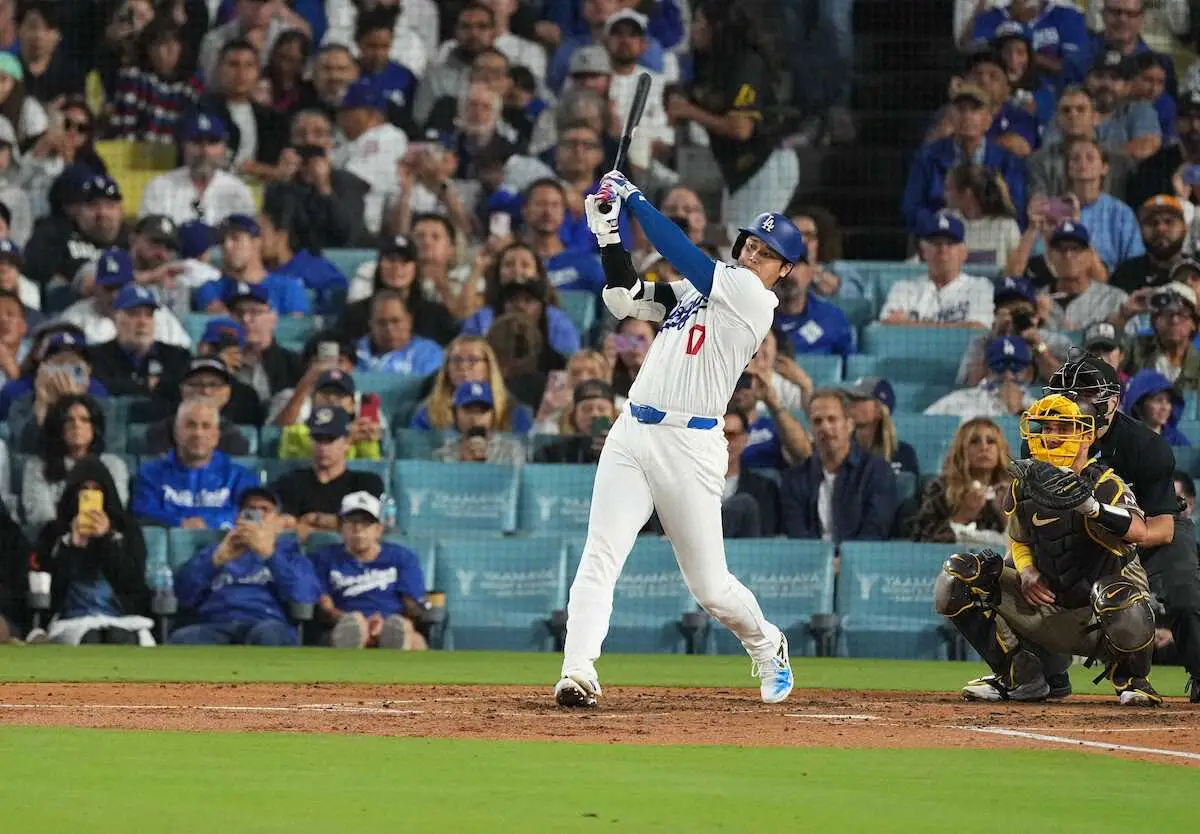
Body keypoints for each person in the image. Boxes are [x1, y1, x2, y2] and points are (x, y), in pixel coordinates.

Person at [552, 170, 800, 708]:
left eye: (767, 254)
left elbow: (681, 252)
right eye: (751, 246)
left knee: (709, 587)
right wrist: (608, 235)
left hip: (690, 445)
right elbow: (625, 299)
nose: (754, 256)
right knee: (600, 555)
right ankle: (578, 671)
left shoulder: (753, 299)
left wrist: (634, 200)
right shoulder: (697, 290)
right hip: (632, 431)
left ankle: (766, 643)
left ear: (783, 270)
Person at [934, 393, 1161, 705]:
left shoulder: (1107, 484)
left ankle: (1132, 680)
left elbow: (1139, 531)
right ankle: (1022, 675)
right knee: (957, 576)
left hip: (1099, 620)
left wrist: (1093, 508)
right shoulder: (1025, 483)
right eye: (1047, 427)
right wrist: (1026, 570)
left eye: (1063, 428)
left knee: (1119, 594)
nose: (1051, 436)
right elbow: (1018, 539)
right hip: (1045, 604)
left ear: (1087, 435)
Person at [1035, 354, 1200, 702]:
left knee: (1184, 594)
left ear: (1112, 401)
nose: (1071, 403)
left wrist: (1120, 532)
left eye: (1083, 394)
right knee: (1030, 573)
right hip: (1082, 532)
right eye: (1065, 394)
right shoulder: (1045, 439)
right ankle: (1040, 674)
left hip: (1153, 530)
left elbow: (1164, 529)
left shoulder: (1145, 446)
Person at [669, 0, 796, 234]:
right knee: (733, 238)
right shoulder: (711, 64)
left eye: (698, 22)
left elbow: (741, 128)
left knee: (744, 241)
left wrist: (689, 111)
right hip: (737, 167)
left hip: (764, 162)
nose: (693, 29)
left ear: (717, 26)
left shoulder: (746, 63)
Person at [169, 486, 321, 646]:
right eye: (250, 509)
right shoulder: (216, 550)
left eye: (264, 510)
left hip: (267, 621)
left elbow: (305, 596)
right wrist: (215, 561)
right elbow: (182, 595)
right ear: (237, 518)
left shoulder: (289, 552)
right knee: (182, 638)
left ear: (278, 522)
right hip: (216, 623)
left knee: (268, 634)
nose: (257, 515)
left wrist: (269, 554)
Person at [33, 456, 152, 646]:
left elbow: (134, 585)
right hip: (71, 620)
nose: (89, 494)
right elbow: (48, 591)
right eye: (83, 490)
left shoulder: (128, 530)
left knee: (119, 637)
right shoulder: (53, 532)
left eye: (96, 490)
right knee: (91, 637)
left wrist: (108, 540)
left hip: (121, 618)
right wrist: (70, 547)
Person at [310, 491, 428, 650]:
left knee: (413, 640)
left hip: (390, 624)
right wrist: (355, 622)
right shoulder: (323, 558)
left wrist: (385, 624)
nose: (358, 529)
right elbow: (326, 607)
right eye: (351, 522)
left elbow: (411, 605)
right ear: (340, 527)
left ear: (379, 529)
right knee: (352, 627)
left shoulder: (402, 558)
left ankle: (393, 639)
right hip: (343, 625)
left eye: (366, 523)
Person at [779, 388, 898, 542]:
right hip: (811, 557)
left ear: (849, 425)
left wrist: (844, 556)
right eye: (817, 421)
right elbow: (798, 537)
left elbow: (874, 533)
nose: (825, 427)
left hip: (859, 556)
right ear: (811, 429)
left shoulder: (878, 472)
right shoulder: (794, 480)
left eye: (832, 419)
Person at [131, 399, 259, 529]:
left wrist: (209, 523)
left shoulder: (241, 477)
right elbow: (142, 514)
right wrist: (181, 523)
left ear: (216, 436)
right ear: (176, 433)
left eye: (206, 426)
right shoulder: (149, 474)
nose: (198, 433)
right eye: (190, 425)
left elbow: (254, 516)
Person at [270, 405, 385, 540]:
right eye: (318, 439)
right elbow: (283, 527)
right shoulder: (289, 482)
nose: (323, 447)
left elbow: (366, 528)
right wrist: (334, 524)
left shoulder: (366, 483)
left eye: (330, 439)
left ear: (347, 443)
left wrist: (314, 519)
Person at [22, 394, 128, 528]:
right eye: (69, 420)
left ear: (94, 427)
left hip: (102, 533)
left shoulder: (113, 465)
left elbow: (116, 510)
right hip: (55, 535)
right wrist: (72, 531)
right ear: (58, 426)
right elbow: (40, 515)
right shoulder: (37, 466)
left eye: (84, 420)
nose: (76, 425)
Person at [138, 112, 256, 225]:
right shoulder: (159, 187)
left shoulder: (238, 190)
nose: (205, 151)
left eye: (212, 142)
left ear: (224, 148)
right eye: (197, 142)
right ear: (183, 146)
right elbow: (149, 235)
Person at [338, 234, 459, 345]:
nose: (397, 267)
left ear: (415, 268)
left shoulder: (436, 315)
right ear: (379, 266)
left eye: (405, 261)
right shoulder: (355, 314)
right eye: (391, 260)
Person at [880, 212, 995, 328]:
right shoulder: (903, 288)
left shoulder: (979, 286)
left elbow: (977, 327)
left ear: (964, 252)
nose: (943, 249)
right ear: (923, 251)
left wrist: (910, 324)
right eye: (936, 243)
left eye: (950, 244)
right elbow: (887, 324)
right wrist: (957, 326)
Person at [910, 418, 1011, 546]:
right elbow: (921, 541)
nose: (984, 447)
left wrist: (1009, 519)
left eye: (991, 441)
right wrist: (963, 515)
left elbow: (1030, 544)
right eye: (974, 441)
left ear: (1000, 449)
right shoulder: (940, 488)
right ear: (962, 450)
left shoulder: (1015, 489)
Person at [86, 283, 192, 402]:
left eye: (148, 315)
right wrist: (147, 385)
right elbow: (101, 388)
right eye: (134, 314)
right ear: (116, 318)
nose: (142, 322)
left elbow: (182, 390)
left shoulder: (177, 356)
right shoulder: (96, 356)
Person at [410, 334, 534, 434]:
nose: (463, 366)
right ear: (447, 368)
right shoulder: (428, 412)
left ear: (489, 366)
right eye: (456, 360)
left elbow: (525, 451)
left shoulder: (513, 411)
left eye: (473, 360)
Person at [193, 214, 310, 316]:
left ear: (256, 242)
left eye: (235, 238)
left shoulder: (288, 287)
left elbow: (295, 328)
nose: (227, 246)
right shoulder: (212, 289)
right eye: (222, 241)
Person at [278, 369, 382, 462]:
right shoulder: (294, 433)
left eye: (339, 394)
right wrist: (347, 439)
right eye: (326, 393)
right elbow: (315, 464)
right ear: (313, 400)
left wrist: (370, 440)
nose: (331, 398)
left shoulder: (361, 433)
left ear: (352, 404)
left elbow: (372, 467)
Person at [926, 336, 1037, 419]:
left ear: (1029, 372)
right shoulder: (957, 402)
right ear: (986, 368)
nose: (1007, 375)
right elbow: (926, 425)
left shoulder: (1040, 409)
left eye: (1016, 366)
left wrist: (1019, 411)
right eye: (1000, 366)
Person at [1122, 281, 1200, 388]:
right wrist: (1123, 315)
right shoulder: (1136, 347)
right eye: (1167, 314)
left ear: (1193, 324)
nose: (1174, 320)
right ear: (1154, 322)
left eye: (1182, 314)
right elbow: (1104, 364)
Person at [942, 163, 1022, 267]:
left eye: (948, 189)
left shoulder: (1006, 226)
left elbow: (1016, 269)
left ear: (967, 193)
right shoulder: (944, 221)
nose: (944, 194)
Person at [431, 381, 526, 465]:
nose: (475, 418)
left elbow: (515, 479)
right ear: (455, 414)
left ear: (493, 415)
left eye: (482, 411)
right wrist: (462, 464)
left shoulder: (511, 451)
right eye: (468, 410)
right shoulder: (442, 456)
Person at [721, 406, 781, 537]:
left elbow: (766, 540)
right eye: (719, 435)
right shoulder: (692, 486)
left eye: (731, 435)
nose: (724, 442)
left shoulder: (765, 489)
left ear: (745, 439)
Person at [355, 290, 444, 375]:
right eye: (382, 322)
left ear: (409, 321)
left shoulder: (429, 354)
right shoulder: (355, 352)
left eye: (395, 321)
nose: (389, 329)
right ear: (371, 324)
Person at [843, 377, 920, 477]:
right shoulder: (840, 450)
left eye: (859, 399)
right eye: (850, 399)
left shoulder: (904, 454)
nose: (851, 404)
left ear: (879, 410)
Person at [534, 378, 617, 464]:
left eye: (602, 409)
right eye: (586, 409)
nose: (595, 414)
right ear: (573, 417)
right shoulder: (550, 454)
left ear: (615, 416)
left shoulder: (624, 451)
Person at [1122, 369, 1190, 446]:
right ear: (1140, 404)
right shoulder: (1125, 440)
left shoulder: (1178, 441)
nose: (1165, 407)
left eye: (1168, 401)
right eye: (1158, 400)